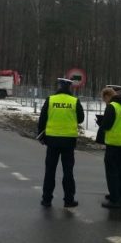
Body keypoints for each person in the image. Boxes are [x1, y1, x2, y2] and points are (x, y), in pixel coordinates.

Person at [37, 78, 85, 208]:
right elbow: (81, 119)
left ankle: (47, 199)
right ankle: (69, 200)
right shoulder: (74, 101)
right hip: (68, 141)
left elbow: (42, 119)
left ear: (59, 86)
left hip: (52, 140)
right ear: (69, 87)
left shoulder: (51, 99)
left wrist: (40, 135)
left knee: (50, 171)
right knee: (68, 171)